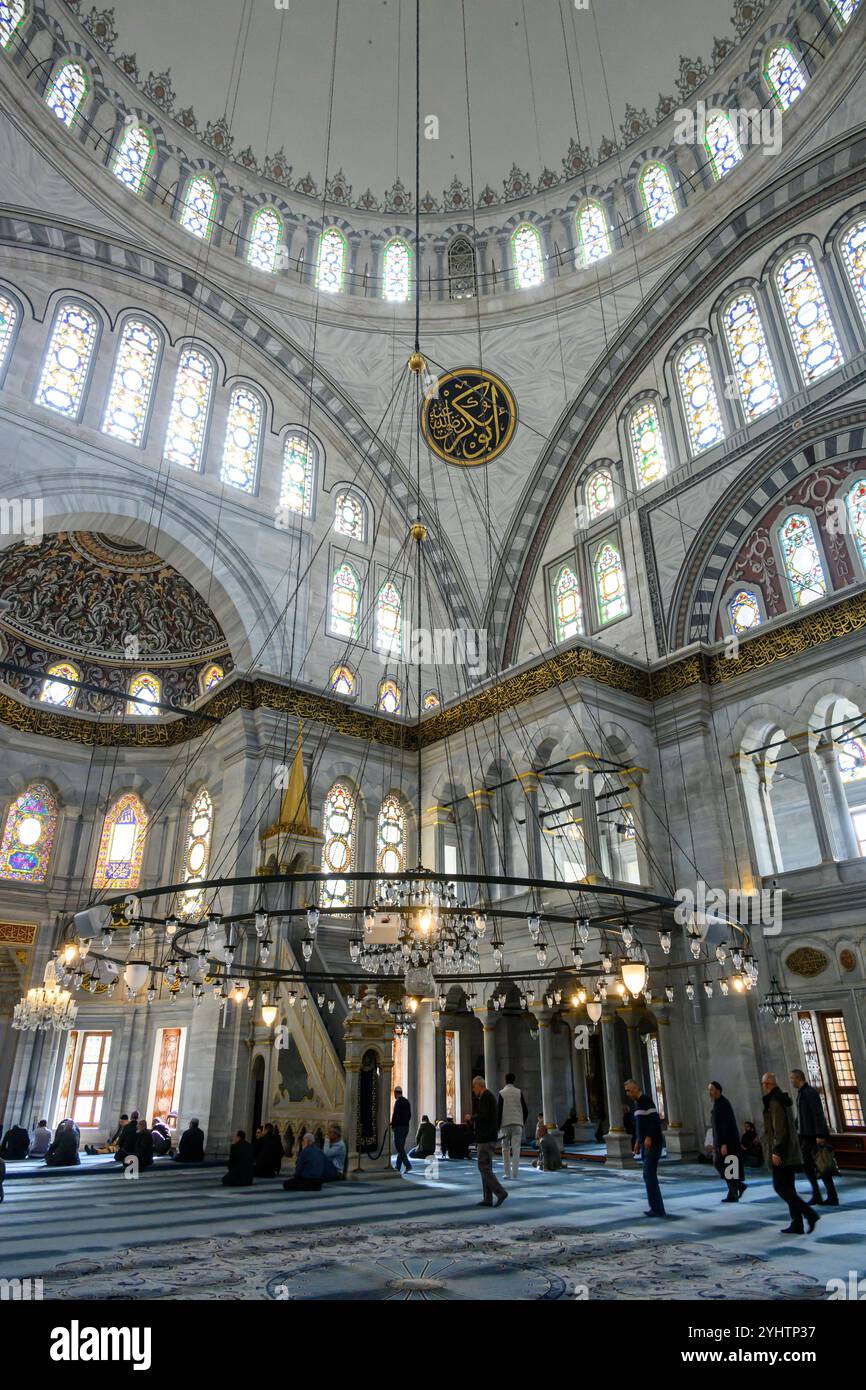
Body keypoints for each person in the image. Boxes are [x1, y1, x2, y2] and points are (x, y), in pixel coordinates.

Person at [761, 1072, 818, 1235]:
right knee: (789, 1188)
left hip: (783, 1153)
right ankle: (797, 1223)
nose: (763, 1087)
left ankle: (809, 1214)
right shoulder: (781, 1098)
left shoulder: (774, 1101)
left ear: (767, 1084)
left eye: (763, 1084)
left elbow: (779, 1128)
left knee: (780, 1187)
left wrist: (776, 1150)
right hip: (790, 1150)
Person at [791, 1068, 839, 1207]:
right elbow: (801, 1115)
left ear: (798, 1078)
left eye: (792, 1078)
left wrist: (820, 1134)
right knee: (808, 1166)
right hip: (805, 1134)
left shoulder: (809, 1092)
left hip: (813, 1136)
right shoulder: (801, 1093)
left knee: (822, 1165)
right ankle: (817, 1194)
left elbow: (818, 1114)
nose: (791, 1081)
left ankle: (832, 1196)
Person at [624, 1079, 666, 1218]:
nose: (627, 1093)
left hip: (652, 1144)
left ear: (636, 1088)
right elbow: (640, 1126)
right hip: (644, 1144)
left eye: (629, 1090)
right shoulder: (637, 1104)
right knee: (648, 1175)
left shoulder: (646, 1100)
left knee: (649, 1175)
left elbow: (655, 1120)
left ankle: (658, 1209)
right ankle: (654, 1207)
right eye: (626, 1091)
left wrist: (649, 1137)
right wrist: (637, 1142)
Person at [471, 1076, 508, 1208]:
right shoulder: (487, 1097)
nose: (473, 1090)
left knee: (483, 1167)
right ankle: (487, 1198)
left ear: (479, 1085)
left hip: (486, 1138)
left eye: (474, 1087)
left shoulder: (486, 1097)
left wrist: (472, 1118)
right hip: (488, 1137)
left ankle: (500, 1192)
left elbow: (483, 1116)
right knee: (486, 1167)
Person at [708, 1081, 746, 1202]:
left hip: (728, 1141)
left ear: (718, 1090)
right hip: (721, 1141)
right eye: (709, 1090)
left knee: (728, 1165)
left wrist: (724, 1143)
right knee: (722, 1164)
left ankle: (734, 1193)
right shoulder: (718, 1104)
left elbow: (725, 1125)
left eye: (712, 1089)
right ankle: (738, 1187)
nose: (710, 1092)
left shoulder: (723, 1104)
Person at [498, 1072, 529, 1180]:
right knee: (516, 1150)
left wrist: (498, 1127)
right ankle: (515, 1175)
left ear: (505, 1080)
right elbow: (525, 1110)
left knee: (505, 1149)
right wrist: (521, 1122)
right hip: (517, 1124)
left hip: (505, 1124)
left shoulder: (502, 1093)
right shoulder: (518, 1092)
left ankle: (507, 1173)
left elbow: (499, 1111)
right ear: (514, 1080)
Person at [390, 1086, 412, 1173]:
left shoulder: (398, 1102)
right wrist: (405, 1123)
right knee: (401, 1147)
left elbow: (395, 1115)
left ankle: (408, 1165)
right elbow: (409, 1115)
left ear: (396, 1093)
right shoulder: (407, 1101)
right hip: (406, 1127)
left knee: (399, 1148)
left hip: (399, 1128)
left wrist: (393, 1125)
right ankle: (398, 1167)